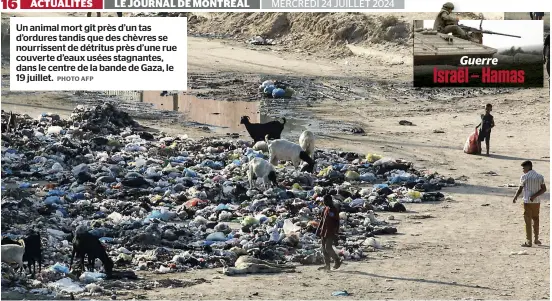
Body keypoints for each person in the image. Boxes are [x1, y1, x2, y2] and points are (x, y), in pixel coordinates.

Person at [512, 161, 547, 247]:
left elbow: (520, 189)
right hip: (537, 202)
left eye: (524, 168)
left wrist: (515, 196)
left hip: (527, 201)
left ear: (528, 167)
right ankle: (536, 239)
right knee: (536, 219)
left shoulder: (524, 177)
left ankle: (528, 241)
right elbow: (544, 189)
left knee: (527, 221)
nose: (523, 170)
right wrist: (535, 196)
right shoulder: (540, 176)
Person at [316, 195, 342, 271]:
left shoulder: (334, 210)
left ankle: (337, 260)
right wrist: (318, 229)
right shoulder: (325, 208)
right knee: (323, 249)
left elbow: (337, 222)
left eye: (325, 201)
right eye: (324, 201)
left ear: (330, 201)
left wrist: (336, 233)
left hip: (330, 231)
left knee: (328, 248)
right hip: (323, 230)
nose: (324, 202)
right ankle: (327, 265)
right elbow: (322, 220)